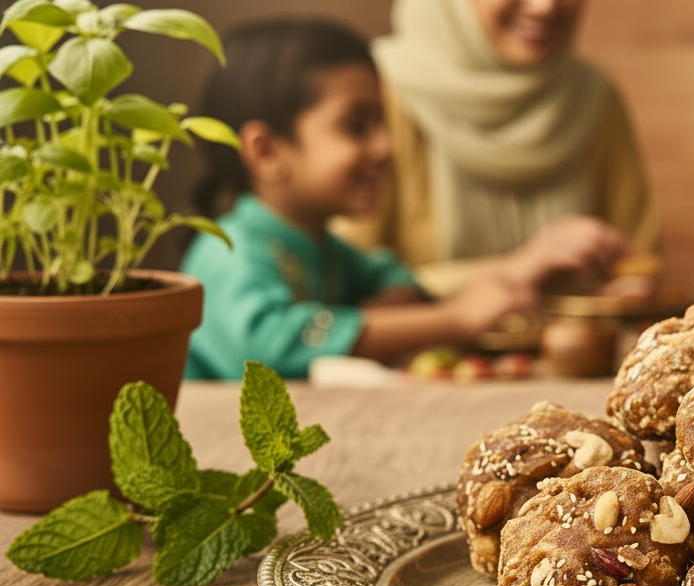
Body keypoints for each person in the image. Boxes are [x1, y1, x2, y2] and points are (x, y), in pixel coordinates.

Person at [182, 19, 623, 380]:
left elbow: (396, 280)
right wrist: (455, 319)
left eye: (381, 123)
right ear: (267, 151)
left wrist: (350, 319)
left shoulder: (322, 246)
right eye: (356, 127)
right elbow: (269, 345)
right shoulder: (227, 250)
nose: (386, 147)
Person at [336, 0, 660, 299]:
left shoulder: (593, 96)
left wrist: (628, 287)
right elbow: (339, 289)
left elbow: (640, 259)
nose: (545, 7)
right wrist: (518, 269)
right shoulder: (371, 94)